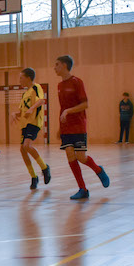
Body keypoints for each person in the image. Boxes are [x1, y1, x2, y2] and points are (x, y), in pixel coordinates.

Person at [55, 55, 110, 200]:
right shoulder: (59, 86)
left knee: (81, 157)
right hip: (66, 127)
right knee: (70, 154)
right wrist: (60, 127)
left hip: (78, 125)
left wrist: (69, 111)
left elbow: (85, 104)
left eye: (57, 64)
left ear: (64, 66)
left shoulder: (77, 82)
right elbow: (62, 108)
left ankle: (98, 170)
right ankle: (82, 189)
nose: (54, 68)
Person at [11, 68, 50, 189]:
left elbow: (41, 101)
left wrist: (32, 109)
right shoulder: (25, 94)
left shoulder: (36, 87)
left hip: (34, 122)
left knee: (27, 146)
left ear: (28, 78)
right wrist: (15, 114)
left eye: (21, 78)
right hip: (25, 124)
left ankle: (44, 168)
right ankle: (33, 176)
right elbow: (23, 111)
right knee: (22, 150)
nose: (19, 80)